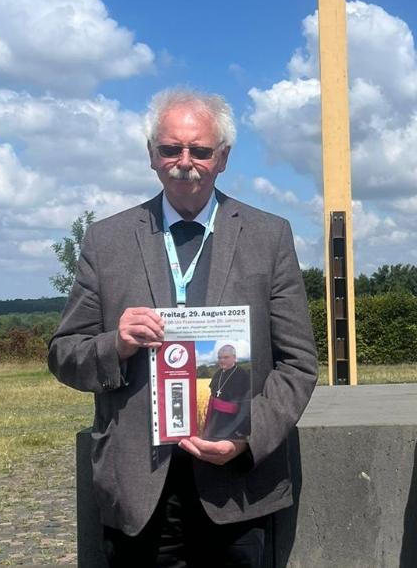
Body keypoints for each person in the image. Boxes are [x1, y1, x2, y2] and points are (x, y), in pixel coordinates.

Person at [48, 88, 318, 567]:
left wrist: (247, 436)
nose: (185, 161)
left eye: (200, 150)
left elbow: (298, 363)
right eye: (171, 148)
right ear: (152, 156)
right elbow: (64, 354)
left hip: (237, 485)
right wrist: (116, 344)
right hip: (139, 487)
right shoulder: (106, 241)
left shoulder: (268, 235)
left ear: (224, 159)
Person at [204, 344, 251, 440]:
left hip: (233, 422)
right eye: (220, 358)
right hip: (215, 419)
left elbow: (245, 406)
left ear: (234, 358)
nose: (222, 360)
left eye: (226, 357)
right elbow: (213, 397)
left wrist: (238, 428)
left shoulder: (243, 374)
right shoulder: (217, 373)